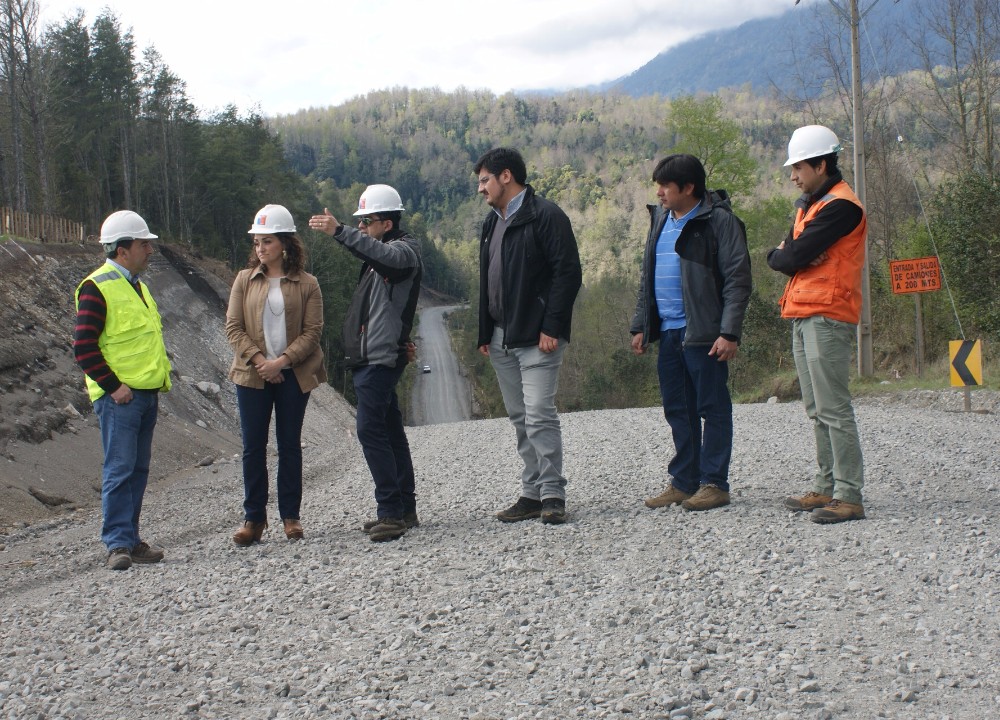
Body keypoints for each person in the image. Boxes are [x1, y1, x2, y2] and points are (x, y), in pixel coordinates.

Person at [631, 154, 752, 513]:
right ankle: (684, 482)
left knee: (712, 408)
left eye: (666, 185)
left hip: (704, 334)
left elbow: (738, 279)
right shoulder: (660, 220)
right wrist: (641, 324)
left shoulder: (719, 221)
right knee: (677, 409)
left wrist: (729, 332)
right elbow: (646, 277)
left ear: (688, 188)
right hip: (668, 332)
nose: (660, 192)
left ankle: (714, 483)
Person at [473, 148, 582, 525]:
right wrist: (486, 332)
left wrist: (552, 326)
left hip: (538, 336)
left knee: (538, 414)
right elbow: (487, 281)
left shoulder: (546, 215)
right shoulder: (491, 222)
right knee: (520, 417)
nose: (481, 189)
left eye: (484, 180)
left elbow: (568, 273)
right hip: (502, 336)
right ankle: (532, 493)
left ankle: (553, 493)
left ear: (506, 176)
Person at [308, 185, 422, 543]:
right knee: (389, 431)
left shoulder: (402, 252)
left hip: (379, 357)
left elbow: (381, 256)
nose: (360, 227)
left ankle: (391, 512)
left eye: (366, 221)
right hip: (374, 356)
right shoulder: (382, 258)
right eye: (357, 222)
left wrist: (338, 231)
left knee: (370, 430)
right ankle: (403, 509)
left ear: (386, 223)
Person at [767, 125, 868, 524]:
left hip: (828, 313)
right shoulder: (810, 205)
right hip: (804, 311)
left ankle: (848, 494)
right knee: (815, 407)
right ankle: (827, 485)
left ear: (821, 165)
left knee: (833, 407)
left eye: (799, 167)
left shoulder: (841, 206)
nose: (793, 175)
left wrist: (787, 254)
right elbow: (784, 255)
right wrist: (787, 254)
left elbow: (788, 257)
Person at [74, 210, 172, 571]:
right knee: (119, 468)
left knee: (137, 469)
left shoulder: (138, 286)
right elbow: (83, 345)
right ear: (121, 248)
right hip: (121, 399)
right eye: (143, 243)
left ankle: (130, 539)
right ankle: (117, 543)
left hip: (145, 395)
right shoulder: (96, 287)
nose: (149, 249)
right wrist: (114, 388)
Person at [225, 204, 326, 545]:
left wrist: (280, 362)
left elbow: (313, 332)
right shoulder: (243, 280)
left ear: (285, 243)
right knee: (253, 448)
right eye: (257, 242)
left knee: (289, 446)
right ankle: (253, 519)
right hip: (252, 376)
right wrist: (260, 362)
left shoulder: (308, 284)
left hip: (293, 375)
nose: (260, 248)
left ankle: (290, 517)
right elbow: (233, 327)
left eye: (267, 241)